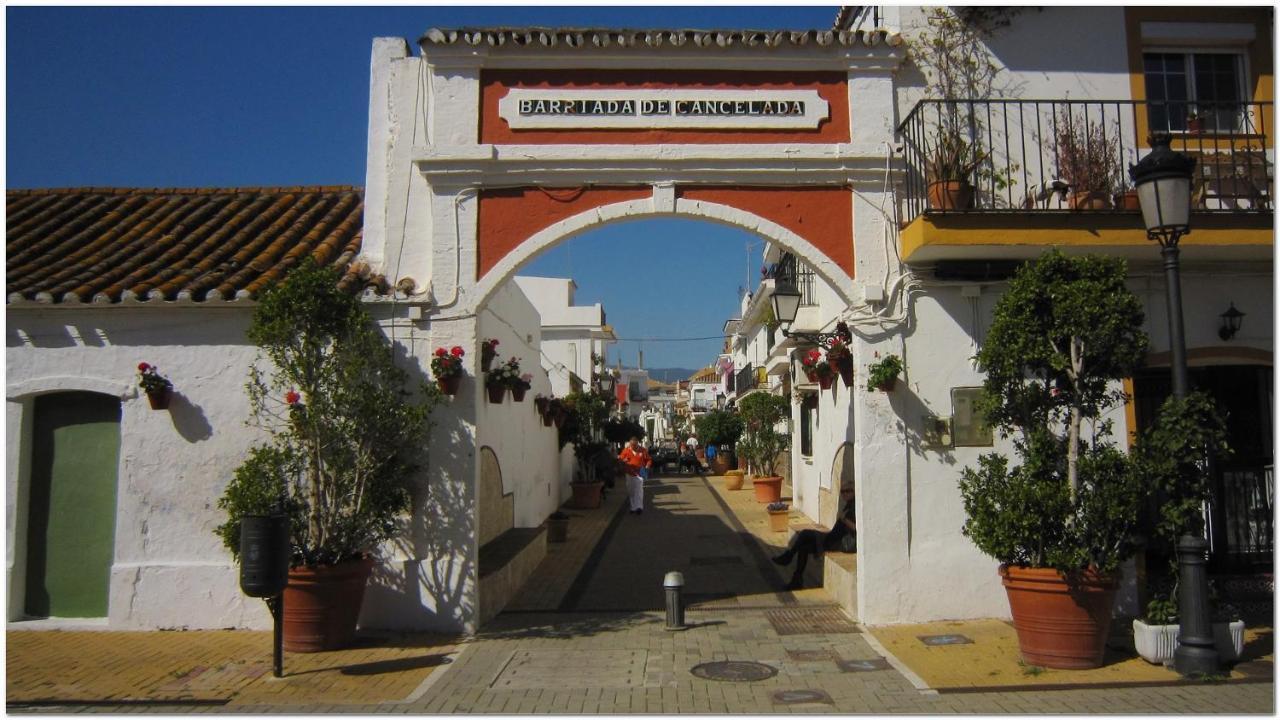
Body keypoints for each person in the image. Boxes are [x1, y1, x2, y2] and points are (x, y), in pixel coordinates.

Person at [772, 484, 856, 590]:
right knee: (803, 547)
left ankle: (789, 557)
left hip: (841, 543)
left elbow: (856, 528)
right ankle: (796, 580)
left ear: (854, 491)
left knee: (805, 533)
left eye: (847, 491)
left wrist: (844, 519)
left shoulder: (854, 507)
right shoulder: (849, 504)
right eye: (842, 492)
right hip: (832, 538)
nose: (844, 494)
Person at [618, 437, 652, 515]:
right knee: (631, 491)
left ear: (637, 444)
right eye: (632, 445)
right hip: (629, 473)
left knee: (639, 490)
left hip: (640, 472)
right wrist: (623, 461)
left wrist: (647, 466)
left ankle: (639, 507)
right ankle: (633, 507)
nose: (633, 447)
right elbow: (620, 459)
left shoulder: (643, 450)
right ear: (630, 444)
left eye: (635, 445)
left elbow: (649, 459)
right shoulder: (626, 450)